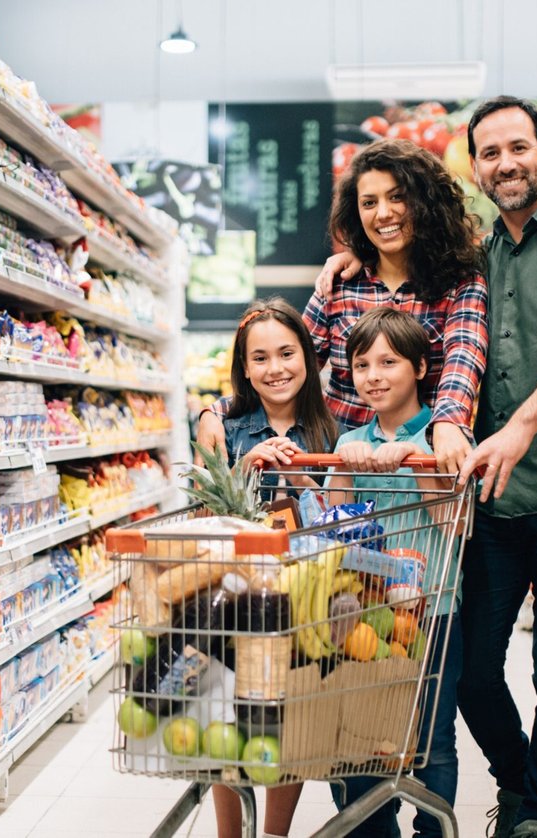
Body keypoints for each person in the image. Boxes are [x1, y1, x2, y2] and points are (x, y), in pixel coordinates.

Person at [313, 97, 537, 838]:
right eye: (489, 154)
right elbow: (437, 336)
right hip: (486, 501)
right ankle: (519, 781)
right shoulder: (471, 260)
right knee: (474, 674)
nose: (506, 164)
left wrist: (503, 429)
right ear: (475, 168)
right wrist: (353, 259)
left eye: (517, 147)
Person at [197, 139, 489, 476]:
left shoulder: (458, 283)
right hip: (343, 465)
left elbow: (464, 357)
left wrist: (449, 422)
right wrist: (215, 411)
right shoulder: (340, 285)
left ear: (425, 202)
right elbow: (289, 362)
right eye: (369, 202)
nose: (383, 213)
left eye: (397, 197)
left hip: (420, 467)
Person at [324, 307, 464, 838]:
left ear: (421, 367)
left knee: (431, 735)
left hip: (434, 608)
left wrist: (416, 458)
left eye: (388, 362)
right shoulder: (348, 441)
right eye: (362, 365)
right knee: (360, 730)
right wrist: (347, 466)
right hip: (366, 615)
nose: (373, 376)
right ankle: (369, 828)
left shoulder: (443, 438)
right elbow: (334, 525)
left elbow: (454, 526)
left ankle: (434, 830)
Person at [203, 298, 339, 838]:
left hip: (302, 592)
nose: (275, 368)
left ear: (307, 355)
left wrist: (305, 479)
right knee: (223, 711)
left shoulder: (329, 430)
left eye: (287, 353)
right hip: (232, 590)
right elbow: (207, 512)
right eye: (259, 358)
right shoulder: (227, 425)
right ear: (244, 367)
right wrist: (245, 467)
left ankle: (276, 834)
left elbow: (345, 516)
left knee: (290, 712)